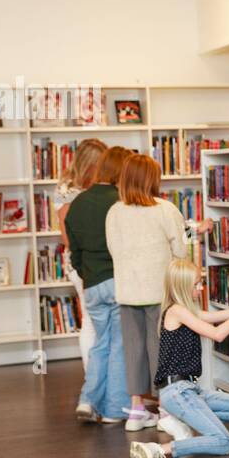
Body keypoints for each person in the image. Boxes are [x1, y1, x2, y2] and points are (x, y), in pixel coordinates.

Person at [128, 258, 229, 458]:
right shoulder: (176, 311)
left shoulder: (187, 310)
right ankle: (159, 449)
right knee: (225, 442)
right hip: (177, 392)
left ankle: (182, 419)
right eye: (196, 284)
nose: (201, 288)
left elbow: (220, 316)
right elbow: (218, 334)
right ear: (182, 286)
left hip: (191, 390)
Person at [105, 153, 190, 433]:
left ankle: (137, 411)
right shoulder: (165, 209)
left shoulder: (114, 212)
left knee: (134, 350)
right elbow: (180, 251)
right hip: (159, 291)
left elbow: (112, 249)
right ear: (152, 180)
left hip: (127, 291)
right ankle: (166, 411)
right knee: (161, 349)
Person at [65, 145, 131, 424]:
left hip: (91, 284)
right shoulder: (122, 202)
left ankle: (87, 401)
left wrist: (87, 274)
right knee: (118, 346)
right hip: (118, 280)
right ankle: (115, 411)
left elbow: (74, 251)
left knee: (101, 344)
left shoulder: (78, 202)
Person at [56, 139, 106, 368]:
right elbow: (67, 235)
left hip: (92, 261)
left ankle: (98, 377)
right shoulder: (68, 191)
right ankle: (91, 376)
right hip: (82, 263)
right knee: (90, 321)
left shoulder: (83, 189)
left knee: (96, 320)